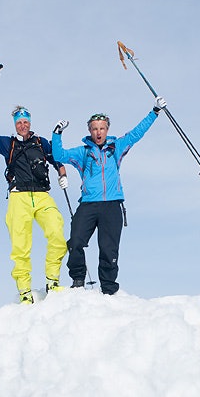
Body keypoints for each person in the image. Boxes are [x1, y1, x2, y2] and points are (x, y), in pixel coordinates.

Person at [51, 96, 166, 295]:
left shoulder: (116, 148)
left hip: (112, 205)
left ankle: (108, 289)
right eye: (95, 128)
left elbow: (136, 133)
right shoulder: (83, 152)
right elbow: (59, 156)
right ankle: (78, 279)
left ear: (107, 129)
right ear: (89, 130)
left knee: (108, 249)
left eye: (102, 128)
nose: (98, 132)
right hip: (88, 205)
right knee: (75, 241)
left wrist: (154, 112)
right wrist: (57, 133)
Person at [0, 86, 69, 304]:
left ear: (30, 123)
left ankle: (52, 281)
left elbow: (58, 159)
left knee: (57, 233)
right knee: (21, 247)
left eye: (25, 122)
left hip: (42, 195)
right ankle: (25, 292)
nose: (22, 126)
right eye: (19, 123)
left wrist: (62, 175)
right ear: (15, 125)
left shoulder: (42, 143)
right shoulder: (8, 144)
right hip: (18, 197)